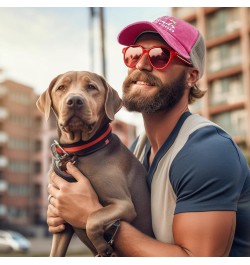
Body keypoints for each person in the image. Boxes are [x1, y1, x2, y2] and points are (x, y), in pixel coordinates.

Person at [47, 15, 250, 257]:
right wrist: (67, 211)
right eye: (134, 54)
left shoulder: (207, 151)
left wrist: (93, 215)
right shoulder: (136, 149)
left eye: (159, 56)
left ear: (191, 76)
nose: (141, 64)